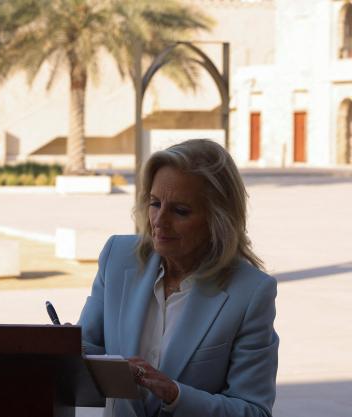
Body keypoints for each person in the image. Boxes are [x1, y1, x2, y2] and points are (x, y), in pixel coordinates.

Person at [78, 139, 279, 417]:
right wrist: (65, 348)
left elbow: (254, 410)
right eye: (155, 203)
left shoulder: (251, 292)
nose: (159, 220)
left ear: (218, 220)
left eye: (180, 211)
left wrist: (175, 394)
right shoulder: (117, 257)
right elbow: (88, 349)